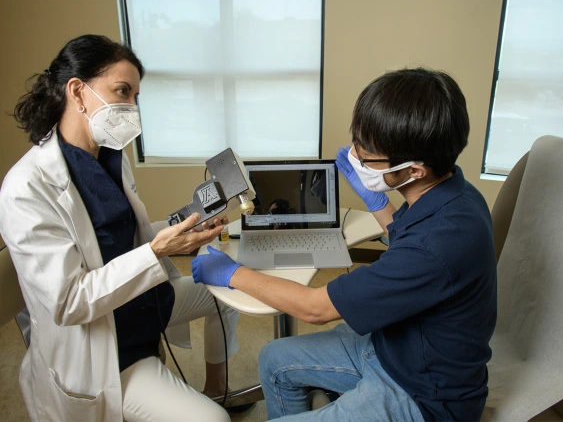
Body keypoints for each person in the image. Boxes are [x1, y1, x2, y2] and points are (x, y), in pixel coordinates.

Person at [191, 68, 497, 421]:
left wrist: (233, 273)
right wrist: (379, 203)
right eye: (358, 142)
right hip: (393, 346)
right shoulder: (455, 191)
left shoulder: (440, 242)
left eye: (367, 156)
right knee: (274, 359)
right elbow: (407, 241)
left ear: (414, 170)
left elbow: (315, 309)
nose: (355, 155)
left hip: (423, 394)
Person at [0, 34, 240, 422]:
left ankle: (218, 389)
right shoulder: (26, 188)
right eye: (122, 91)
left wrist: (182, 234)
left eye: (135, 97)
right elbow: (69, 303)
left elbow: (129, 236)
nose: (131, 107)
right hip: (102, 347)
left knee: (228, 286)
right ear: (78, 91)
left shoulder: (112, 156)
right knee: (212, 421)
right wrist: (158, 251)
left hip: (143, 303)